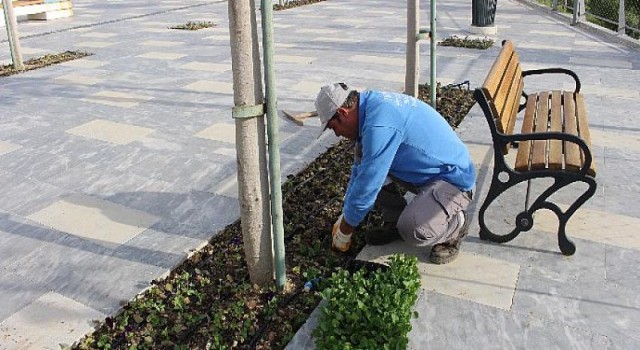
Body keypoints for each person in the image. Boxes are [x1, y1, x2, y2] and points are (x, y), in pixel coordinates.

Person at [315, 83, 476, 264]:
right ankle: (395, 220)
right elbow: (360, 173)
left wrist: (345, 230)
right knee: (365, 159)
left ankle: (456, 225)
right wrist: (346, 213)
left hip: (454, 180)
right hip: (428, 172)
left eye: (332, 127)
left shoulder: (380, 125)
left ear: (343, 113)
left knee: (413, 229)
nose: (336, 134)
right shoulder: (370, 106)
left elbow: (368, 184)